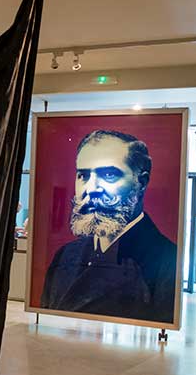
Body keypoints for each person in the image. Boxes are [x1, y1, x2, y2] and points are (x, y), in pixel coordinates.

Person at [39, 130, 177, 323]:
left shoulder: (167, 262)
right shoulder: (65, 255)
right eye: (83, 175)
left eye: (109, 174)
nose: (91, 189)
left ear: (141, 182)